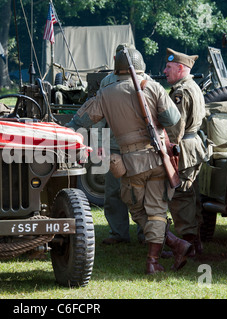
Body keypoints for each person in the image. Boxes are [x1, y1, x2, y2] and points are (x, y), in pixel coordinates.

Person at [66, 47, 193, 274]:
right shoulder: (152, 86)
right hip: (156, 158)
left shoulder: (106, 91)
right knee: (156, 211)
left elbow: (81, 119)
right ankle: (168, 250)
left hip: (130, 162)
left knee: (137, 209)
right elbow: (172, 119)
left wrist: (65, 132)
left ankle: (161, 254)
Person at [99, 43, 145, 245]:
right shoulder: (107, 81)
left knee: (140, 191)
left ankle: (146, 233)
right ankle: (119, 233)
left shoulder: (143, 80)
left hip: (135, 145)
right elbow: (101, 115)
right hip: (115, 144)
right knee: (114, 192)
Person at [163, 48, 207, 257]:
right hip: (194, 146)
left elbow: (175, 127)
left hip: (184, 148)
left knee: (181, 197)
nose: (164, 71)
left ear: (181, 68)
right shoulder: (193, 86)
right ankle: (194, 242)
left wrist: (168, 150)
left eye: (169, 67)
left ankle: (187, 245)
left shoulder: (181, 91)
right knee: (191, 195)